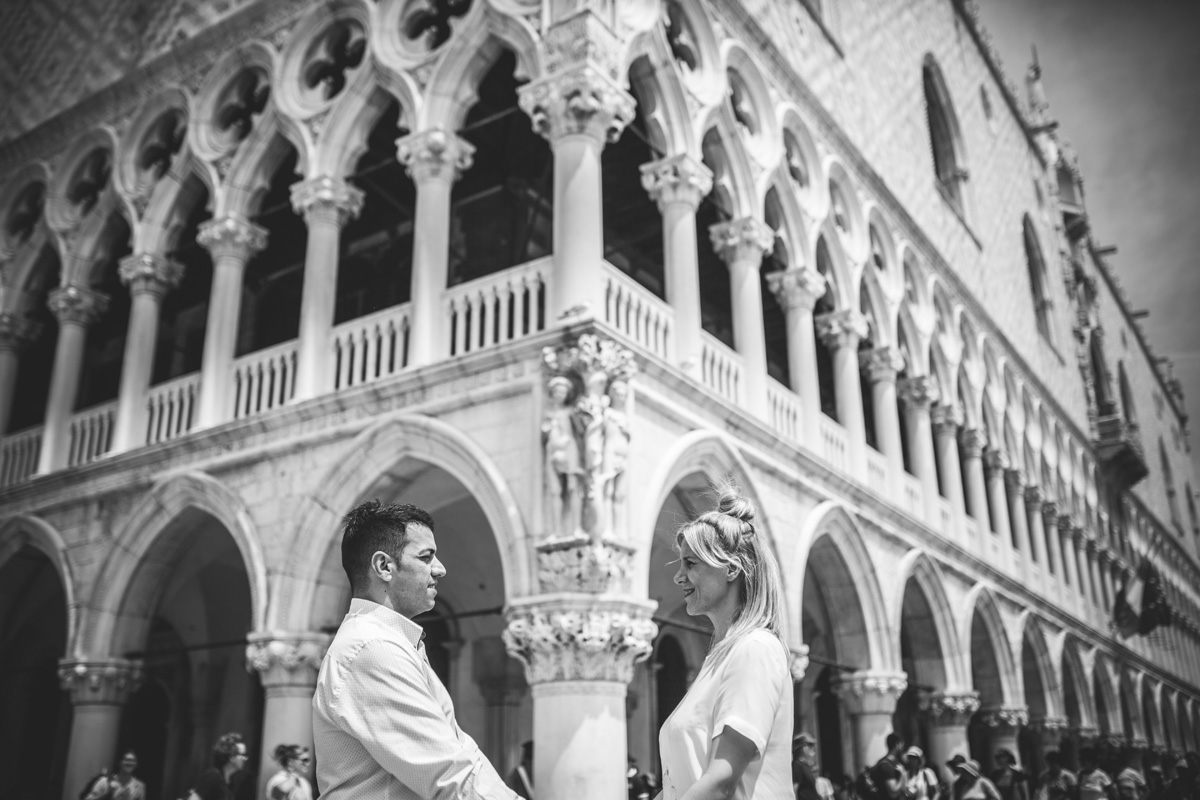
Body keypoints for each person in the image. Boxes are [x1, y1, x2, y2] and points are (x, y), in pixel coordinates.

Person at [313, 500, 519, 800]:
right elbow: (448, 773)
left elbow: (459, 754)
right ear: (384, 566)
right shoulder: (373, 648)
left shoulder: (384, 642)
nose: (440, 569)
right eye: (426, 557)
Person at [658, 484, 794, 800]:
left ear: (731, 569)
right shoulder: (722, 658)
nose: (678, 577)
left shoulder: (755, 649)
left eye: (690, 563)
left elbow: (721, 782)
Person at [187, 733, 250, 800]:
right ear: (232, 757)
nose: (245, 758)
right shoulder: (214, 776)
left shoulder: (230, 782)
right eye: (243, 755)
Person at [794, 733, 823, 800]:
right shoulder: (797, 765)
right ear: (803, 748)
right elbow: (794, 788)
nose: (813, 748)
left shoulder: (805, 766)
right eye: (810, 745)